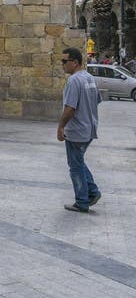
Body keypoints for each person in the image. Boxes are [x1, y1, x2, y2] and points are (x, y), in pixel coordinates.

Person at [58, 47, 102, 213]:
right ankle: (92, 192)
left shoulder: (73, 81)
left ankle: (82, 201)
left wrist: (61, 126)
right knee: (79, 162)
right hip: (89, 128)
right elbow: (96, 100)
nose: (62, 65)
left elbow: (70, 108)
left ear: (74, 63)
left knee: (75, 167)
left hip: (76, 131)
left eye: (64, 61)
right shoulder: (90, 78)